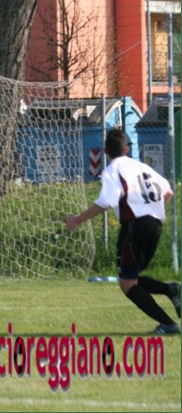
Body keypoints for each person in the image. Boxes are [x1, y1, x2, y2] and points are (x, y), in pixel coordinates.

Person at [66, 128, 179, 335]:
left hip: (135, 226)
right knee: (130, 277)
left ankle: (168, 324)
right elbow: (168, 191)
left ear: (105, 151)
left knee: (127, 283)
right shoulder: (142, 166)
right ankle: (170, 289)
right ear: (127, 149)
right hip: (155, 225)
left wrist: (78, 219)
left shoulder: (113, 170)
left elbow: (106, 202)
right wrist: (153, 210)